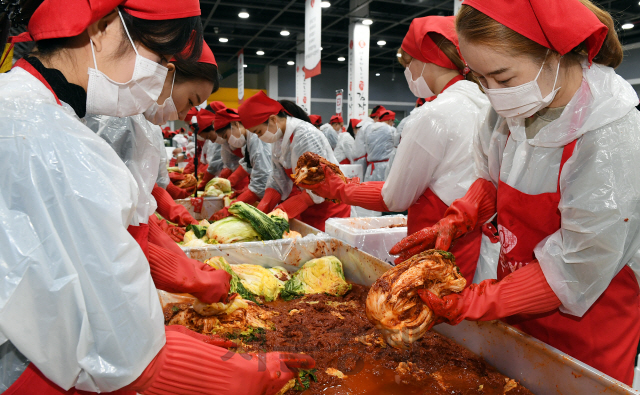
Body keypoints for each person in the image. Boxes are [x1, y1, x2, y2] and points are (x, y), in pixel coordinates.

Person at [0, 0, 308, 393]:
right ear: (107, 26)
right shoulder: (40, 134)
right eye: (161, 59)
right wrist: (223, 370)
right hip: (24, 374)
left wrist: (170, 328)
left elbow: (106, 246)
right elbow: (117, 353)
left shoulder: (35, 111)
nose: (160, 81)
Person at [391, 0, 640, 384]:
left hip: (588, 328)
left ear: (554, 55)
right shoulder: (508, 112)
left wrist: (475, 300)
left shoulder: (610, 135)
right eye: (481, 80)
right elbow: (492, 181)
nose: (493, 94)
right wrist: (460, 217)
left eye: (504, 79)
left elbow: (577, 267)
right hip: (516, 304)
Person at [297, 16, 491, 282]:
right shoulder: (485, 103)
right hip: (480, 245)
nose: (408, 72)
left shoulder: (433, 115)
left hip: (438, 247)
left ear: (426, 59)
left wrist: (340, 188)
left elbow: (395, 198)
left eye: (408, 64)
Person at [238, 91, 351, 231]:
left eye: (259, 132)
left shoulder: (305, 135)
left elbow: (321, 184)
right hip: (310, 208)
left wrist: (286, 208)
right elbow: (277, 178)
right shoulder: (279, 139)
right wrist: (264, 206)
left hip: (330, 208)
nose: (260, 138)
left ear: (273, 120)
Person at [209, 107, 273, 221]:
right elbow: (248, 163)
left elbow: (262, 179)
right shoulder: (247, 141)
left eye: (226, 136)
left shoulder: (256, 138)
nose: (229, 141)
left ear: (235, 124)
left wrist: (234, 205)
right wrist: (244, 190)